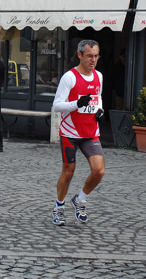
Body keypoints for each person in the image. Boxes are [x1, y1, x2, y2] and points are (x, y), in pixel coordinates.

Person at [51, 39, 105, 226]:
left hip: (90, 132)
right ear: (80, 55)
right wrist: (76, 104)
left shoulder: (99, 76)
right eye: (89, 55)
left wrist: (100, 110)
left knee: (99, 170)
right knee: (68, 172)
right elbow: (57, 105)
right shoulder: (70, 77)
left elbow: (97, 98)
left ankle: (80, 199)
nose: (93, 60)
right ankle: (59, 206)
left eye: (96, 56)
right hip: (70, 133)